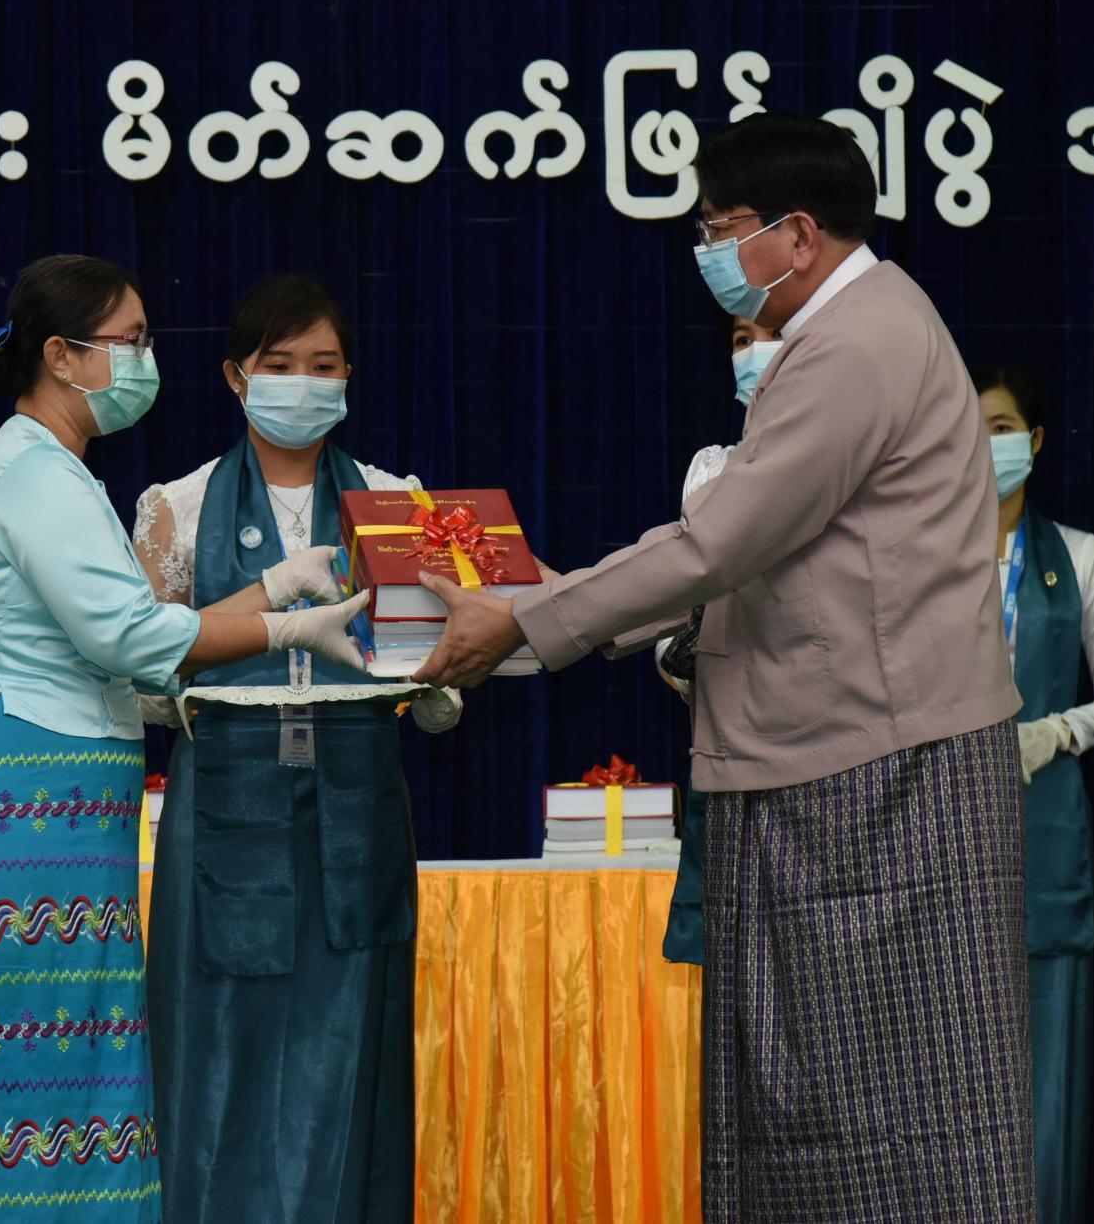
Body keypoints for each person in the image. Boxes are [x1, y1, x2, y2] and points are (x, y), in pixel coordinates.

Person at [416, 113, 1036, 1222]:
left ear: (796, 234)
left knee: (897, 1107)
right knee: (818, 1110)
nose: (705, 252)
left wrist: (527, 619)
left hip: (879, 776)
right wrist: (554, 600)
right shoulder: (857, 330)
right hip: (841, 758)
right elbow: (752, 556)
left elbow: (719, 546)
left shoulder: (853, 346)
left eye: (720, 228)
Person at [0, 256, 367, 1223]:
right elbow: (134, 642)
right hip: (8, 815)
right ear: (61, 356)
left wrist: (272, 586)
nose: (146, 360)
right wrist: (282, 624)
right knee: (27, 1114)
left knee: (71, 1102)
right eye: (130, 341)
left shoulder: (53, 469)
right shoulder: (35, 473)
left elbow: (131, 635)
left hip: (39, 819)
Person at [134, 274, 460, 1224]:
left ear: (349, 377)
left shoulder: (398, 502)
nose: (303, 384)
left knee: (348, 1049)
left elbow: (435, 648)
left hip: (355, 806)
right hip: (222, 807)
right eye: (279, 365)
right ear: (236, 377)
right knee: (214, 1050)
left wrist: (439, 681)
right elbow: (140, 677)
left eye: (324, 366)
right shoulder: (177, 505)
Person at [974, 363, 1094, 1224]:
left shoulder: (1077, 556)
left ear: (1033, 442)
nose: (984, 445)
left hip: (1041, 830)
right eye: (969, 429)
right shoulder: (920, 560)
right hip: (938, 830)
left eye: (1000, 428)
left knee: (1045, 1064)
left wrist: (1055, 732)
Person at [657, 313, 782, 967]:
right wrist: (677, 653)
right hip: (727, 756)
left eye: (772, 334)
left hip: (822, 765)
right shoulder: (710, 471)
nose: (756, 351)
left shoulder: (851, 465)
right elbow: (673, 595)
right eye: (741, 339)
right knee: (732, 980)